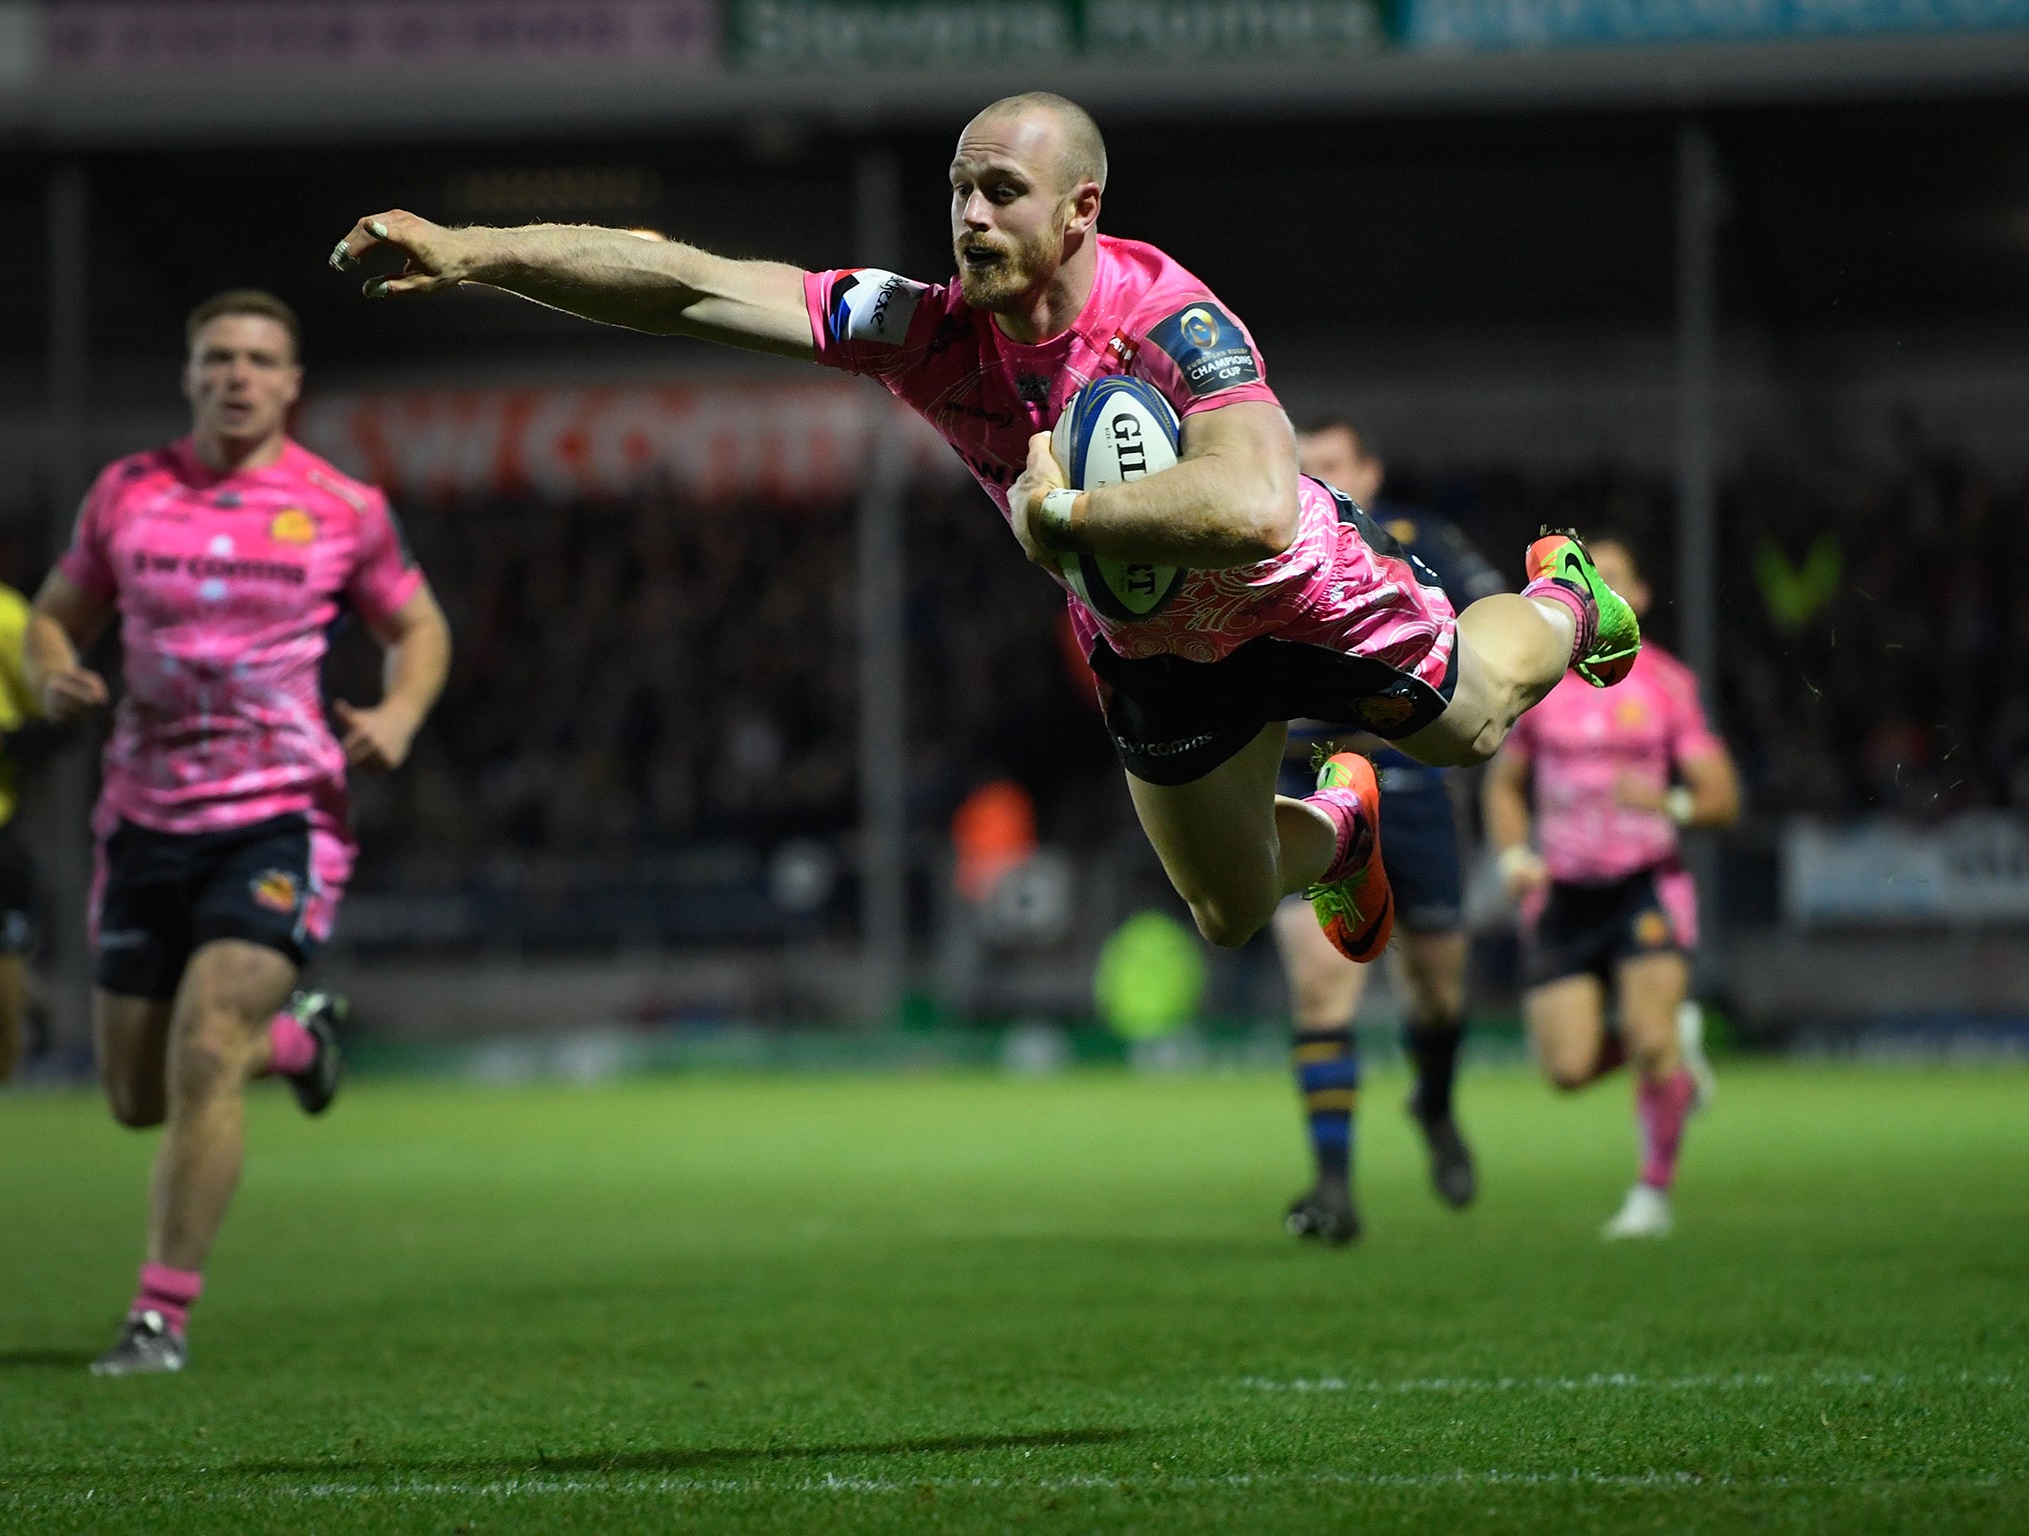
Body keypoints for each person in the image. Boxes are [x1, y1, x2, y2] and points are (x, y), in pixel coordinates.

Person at [330, 91, 1639, 982]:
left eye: (1001, 192)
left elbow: (1245, 504)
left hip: (1299, 591)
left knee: (1469, 729)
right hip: (1155, 652)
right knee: (1229, 913)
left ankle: (1570, 600)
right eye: (958, 191)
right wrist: (473, 251)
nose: (968, 218)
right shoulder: (927, 331)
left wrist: (1071, 518)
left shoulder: (1172, 318)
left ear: (1079, 210)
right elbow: (693, 282)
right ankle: (1341, 828)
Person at [24, 289, 452, 1373]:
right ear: (190, 374)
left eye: (259, 359)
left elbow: (418, 626)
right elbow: (52, 613)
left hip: (280, 814)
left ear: (290, 382)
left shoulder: (339, 505)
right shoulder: (126, 494)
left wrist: (399, 714)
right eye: (217, 357)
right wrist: (50, 672)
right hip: (142, 816)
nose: (237, 376)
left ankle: (157, 1316)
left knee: (207, 1042)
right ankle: (301, 1041)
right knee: (135, 1095)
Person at [1275, 419, 1505, 1245]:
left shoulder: (1420, 539)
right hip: (1305, 774)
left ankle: (1434, 1105)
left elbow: (1492, 619)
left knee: (1439, 986)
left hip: (1409, 774)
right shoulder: (1260, 542)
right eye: (1305, 464)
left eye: (1332, 464)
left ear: (1368, 471)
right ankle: (1333, 1184)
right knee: (1319, 978)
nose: (1317, 476)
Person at [1483, 533, 1738, 1240]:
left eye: (1615, 578)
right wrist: (1512, 859)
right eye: (1589, 579)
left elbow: (1720, 796)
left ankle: (1652, 1195)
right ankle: (1673, 1047)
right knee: (1567, 1070)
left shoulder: (1668, 684)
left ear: (1640, 597)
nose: (1600, 590)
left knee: (1649, 1041)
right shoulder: (1537, 686)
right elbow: (1504, 787)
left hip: (1643, 884)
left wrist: (1672, 805)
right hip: (1564, 890)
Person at [0, 570, 72, 1082]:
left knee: (1, 1045)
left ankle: (20, 1018)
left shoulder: (3, 615)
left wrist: (1, 740)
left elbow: (64, 722)